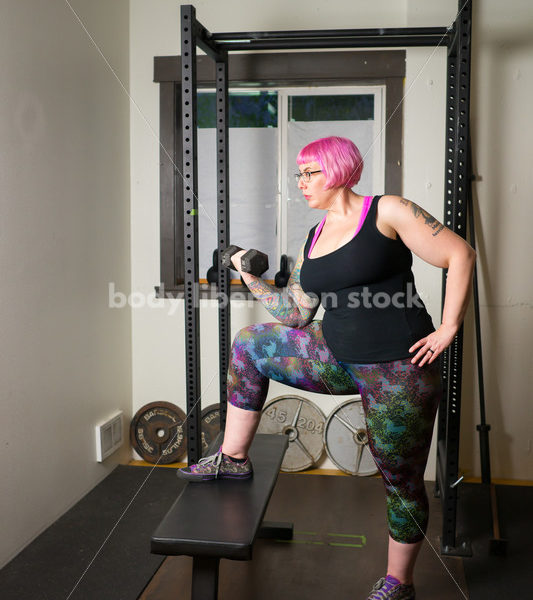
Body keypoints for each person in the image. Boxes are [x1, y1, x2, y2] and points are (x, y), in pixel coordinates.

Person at [177, 136, 476, 600]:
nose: (301, 183)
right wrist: (249, 274)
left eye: (309, 172)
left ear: (338, 169)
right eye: (298, 174)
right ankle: (233, 459)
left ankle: (400, 582)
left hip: (398, 371)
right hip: (335, 357)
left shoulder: (388, 210)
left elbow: (460, 254)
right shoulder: (313, 238)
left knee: (399, 479)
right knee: (251, 343)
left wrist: (449, 326)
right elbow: (296, 313)